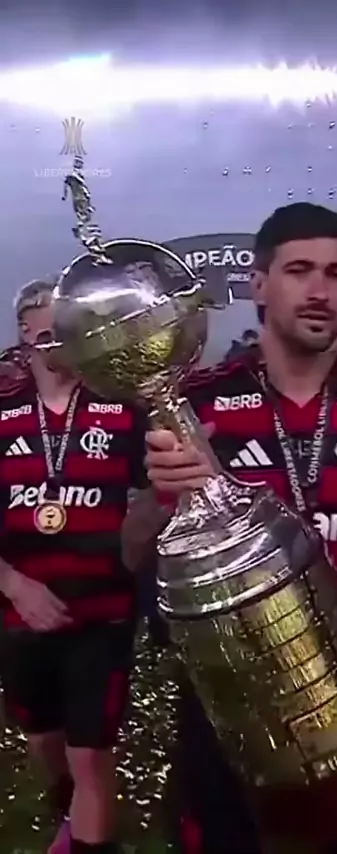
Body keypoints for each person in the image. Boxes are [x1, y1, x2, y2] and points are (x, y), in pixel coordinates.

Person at [123, 203, 337, 854]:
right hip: (233, 697)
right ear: (259, 284)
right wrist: (156, 500)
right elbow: (133, 550)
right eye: (299, 270)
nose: (319, 291)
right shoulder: (195, 404)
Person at [0, 279, 148, 854]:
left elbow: (157, 497)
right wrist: (14, 585)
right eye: (44, 330)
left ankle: (87, 830)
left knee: (91, 754)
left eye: (67, 327)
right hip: (21, 615)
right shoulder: (4, 413)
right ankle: (70, 806)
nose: (57, 340)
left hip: (103, 614)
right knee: (45, 741)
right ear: (24, 335)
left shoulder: (123, 411)